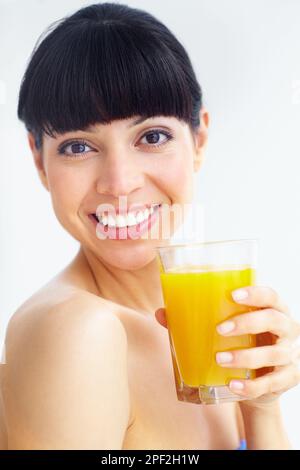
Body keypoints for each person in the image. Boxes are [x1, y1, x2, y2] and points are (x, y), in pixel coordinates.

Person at [0, 2, 299, 450]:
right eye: (79, 147)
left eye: (152, 137)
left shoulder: (207, 336)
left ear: (199, 139)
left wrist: (263, 405)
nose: (119, 182)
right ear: (38, 161)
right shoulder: (78, 333)